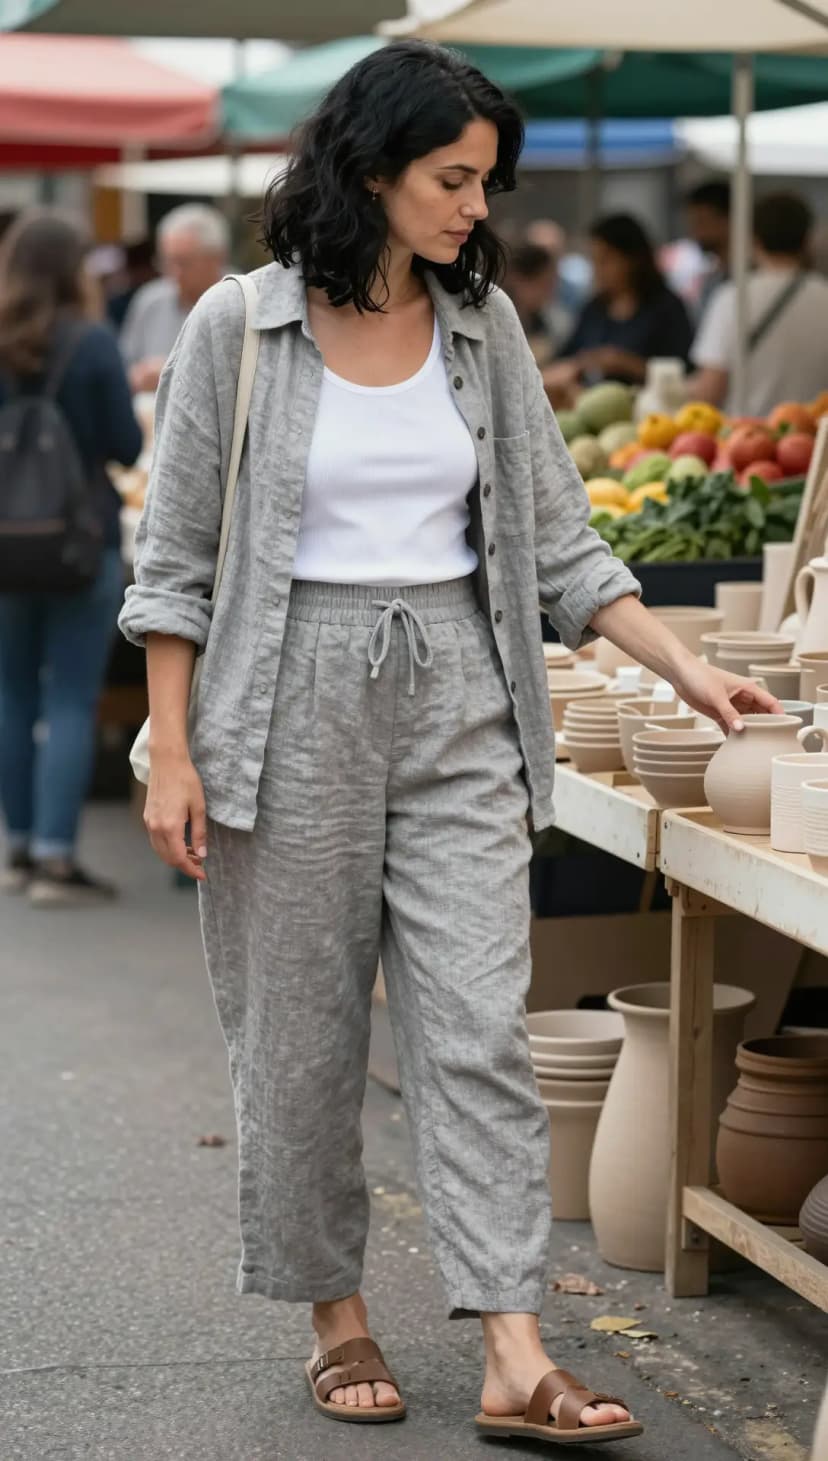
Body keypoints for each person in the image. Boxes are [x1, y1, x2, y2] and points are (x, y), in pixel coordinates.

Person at [118, 40, 779, 1447]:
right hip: (285, 697)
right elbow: (173, 569)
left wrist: (689, 673)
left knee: (478, 1029)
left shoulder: (485, 334)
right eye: (453, 178)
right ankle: (335, 1313)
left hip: (464, 700)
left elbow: (563, 544)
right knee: (298, 1040)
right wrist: (171, 751)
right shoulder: (242, 328)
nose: (480, 206)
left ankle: (513, 1347)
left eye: (487, 180)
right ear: (370, 172)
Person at [0, 209, 142, 904]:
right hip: (81, 541)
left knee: (10, 695)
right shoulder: (90, 343)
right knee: (70, 697)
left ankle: (16, 848)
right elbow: (126, 444)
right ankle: (57, 859)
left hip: (3, 545)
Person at [688, 191, 828, 417]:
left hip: (747, 438)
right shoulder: (824, 297)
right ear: (806, 240)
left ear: (754, 239)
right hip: (817, 441)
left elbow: (710, 390)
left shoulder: (732, 298)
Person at [545, 213, 694, 394]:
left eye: (606, 260)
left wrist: (626, 364)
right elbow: (567, 358)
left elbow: (684, 373)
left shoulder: (667, 309)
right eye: (595, 260)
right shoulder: (594, 309)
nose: (598, 269)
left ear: (633, 259)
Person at [120, 203, 230, 394]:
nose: (174, 272)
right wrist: (137, 377)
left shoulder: (242, 302)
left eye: (183, 263)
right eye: (166, 261)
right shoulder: (150, 301)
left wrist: (169, 373)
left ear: (217, 259)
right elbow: (124, 369)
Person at [502, 241, 566, 366]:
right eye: (544, 285)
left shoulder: (543, 320)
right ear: (518, 280)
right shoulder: (498, 318)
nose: (549, 294)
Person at [684, 179, 731, 316]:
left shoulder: (748, 276)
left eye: (701, 222)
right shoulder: (712, 279)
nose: (694, 231)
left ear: (727, 220)